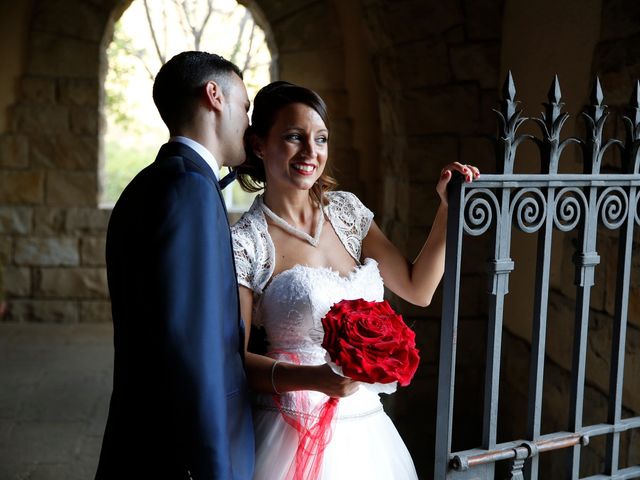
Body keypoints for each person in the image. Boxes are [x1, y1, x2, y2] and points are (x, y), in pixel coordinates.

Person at [231, 81, 480, 479]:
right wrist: (316, 379)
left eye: (321, 139)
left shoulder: (348, 212)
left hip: (366, 426)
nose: (311, 153)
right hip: (289, 425)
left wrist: (447, 211)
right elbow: (234, 361)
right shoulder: (246, 242)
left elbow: (419, 289)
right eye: (295, 137)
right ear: (259, 144)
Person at [95, 52, 255, 480]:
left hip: (143, 435)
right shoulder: (190, 190)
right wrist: (214, 468)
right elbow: (195, 349)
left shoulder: (153, 181)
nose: (248, 121)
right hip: (180, 455)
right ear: (214, 96)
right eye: (245, 106)